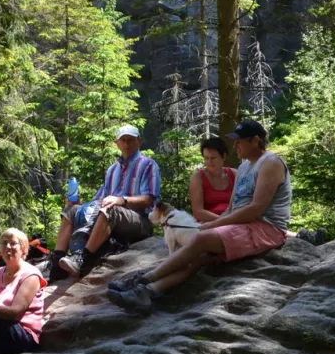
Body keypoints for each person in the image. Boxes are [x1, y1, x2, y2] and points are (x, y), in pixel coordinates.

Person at [109, 119, 291, 315]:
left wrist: (212, 226)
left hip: (265, 228)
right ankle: (147, 291)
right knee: (200, 255)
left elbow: (255, 209)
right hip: (244, 225)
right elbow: (232, 207)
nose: (235, 145)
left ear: (255, 141)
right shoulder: (245, 167)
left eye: (239, 141)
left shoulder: (271, 163)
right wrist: (213, 225)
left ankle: (141, 281)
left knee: (201, 239)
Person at [47, 124, 159, 280]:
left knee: (110, 208)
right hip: (113, 216)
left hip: (139, 221)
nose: (127, 144)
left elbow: (149, 199)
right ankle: (57, 262)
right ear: (117, 143)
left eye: (131, 140)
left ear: (139, 141)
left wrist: (121, 200)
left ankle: (83, 259)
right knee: (71, 210)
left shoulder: (148, 164)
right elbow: (98, 201)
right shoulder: (113, 170)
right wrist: (79, 204)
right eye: (123, 140)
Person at [189, 136, 235, 222]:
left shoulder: (235, 174)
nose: (209, 162)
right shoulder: (198, 177)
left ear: (224, 156)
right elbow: (198, 212)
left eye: (213, 158)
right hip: (208, 223)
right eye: (206, 158)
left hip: (233, 221)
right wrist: (224, 221)